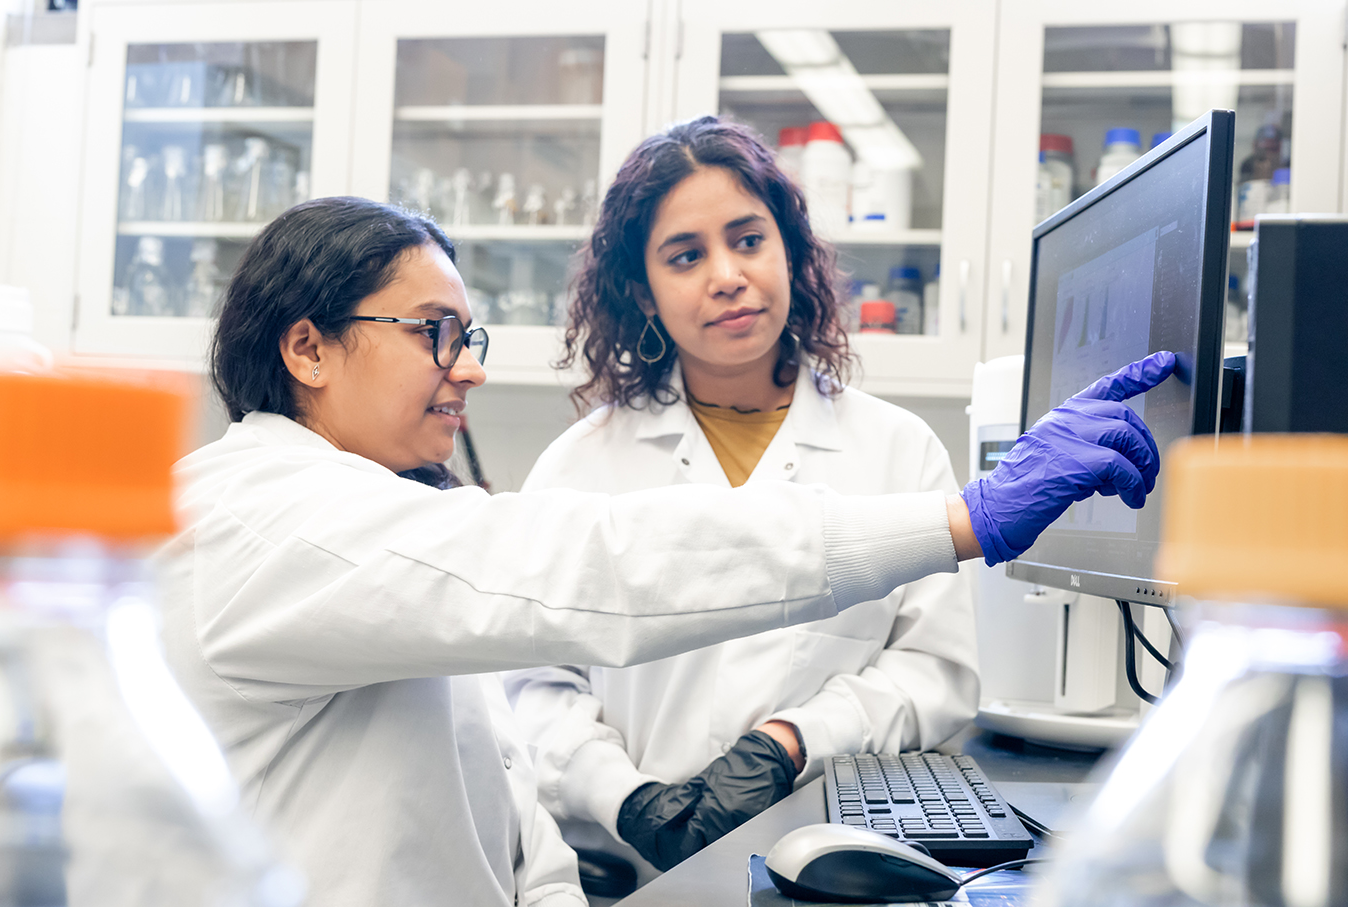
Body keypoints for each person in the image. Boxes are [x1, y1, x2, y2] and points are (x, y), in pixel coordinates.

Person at [160, 194, 1173, 907]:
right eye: (437, 332)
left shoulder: (364, 510)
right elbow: (589, 567)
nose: (465, 369)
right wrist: (960, 520)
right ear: (306, 348)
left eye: (471, 336)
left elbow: (506, 796)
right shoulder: (261, 519)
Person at [504, 116, 976, 879]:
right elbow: (532, 684)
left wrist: (792, 740)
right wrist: (624, 796)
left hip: (823, 867)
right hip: (621, 875)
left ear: (789, 251)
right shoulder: (580, 466)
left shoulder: (898, 449)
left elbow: (934, 674)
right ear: (642, 292)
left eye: (749, 239)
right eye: (686, 256)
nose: (727, 274)